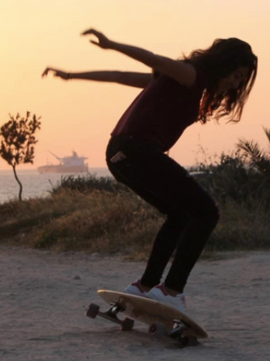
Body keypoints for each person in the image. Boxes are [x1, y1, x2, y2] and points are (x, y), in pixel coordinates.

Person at [43, 28, 257, 313]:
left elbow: (120, 76)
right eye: (236, 74)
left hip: (118, 154)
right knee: (207, 212)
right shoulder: (191, 75)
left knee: (180, 214)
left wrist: (72, 75)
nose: (235, 83)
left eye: (241, 80)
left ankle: (143, 286)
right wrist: (111, 44)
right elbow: (153, 58)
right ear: (224, 64)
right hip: (137, 150)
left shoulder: (176, 82)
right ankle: (170, 291)